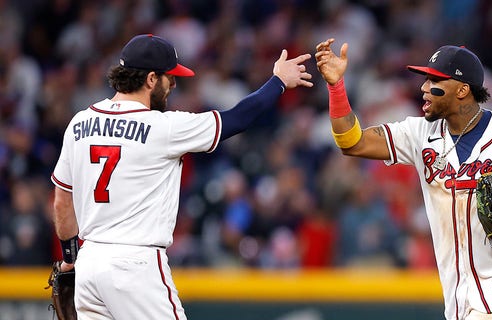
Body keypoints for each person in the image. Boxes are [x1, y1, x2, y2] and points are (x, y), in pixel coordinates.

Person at [51, 34, 312, 319]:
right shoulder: (163, 126)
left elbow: (63, 201)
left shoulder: (80, 123)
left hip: (89, 263)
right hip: (136, 264)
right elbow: (236, 119)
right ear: (151, 79)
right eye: (169, 77)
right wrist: (278, 82)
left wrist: (70, 259)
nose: (174, 84)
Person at [315, 38, 492, 320]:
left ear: (463, 90)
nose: (424, 88)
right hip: (459, 295)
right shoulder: (418, 135)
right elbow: (352, 143)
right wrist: (336, 86)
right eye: (425, 80)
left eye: (434, 81)